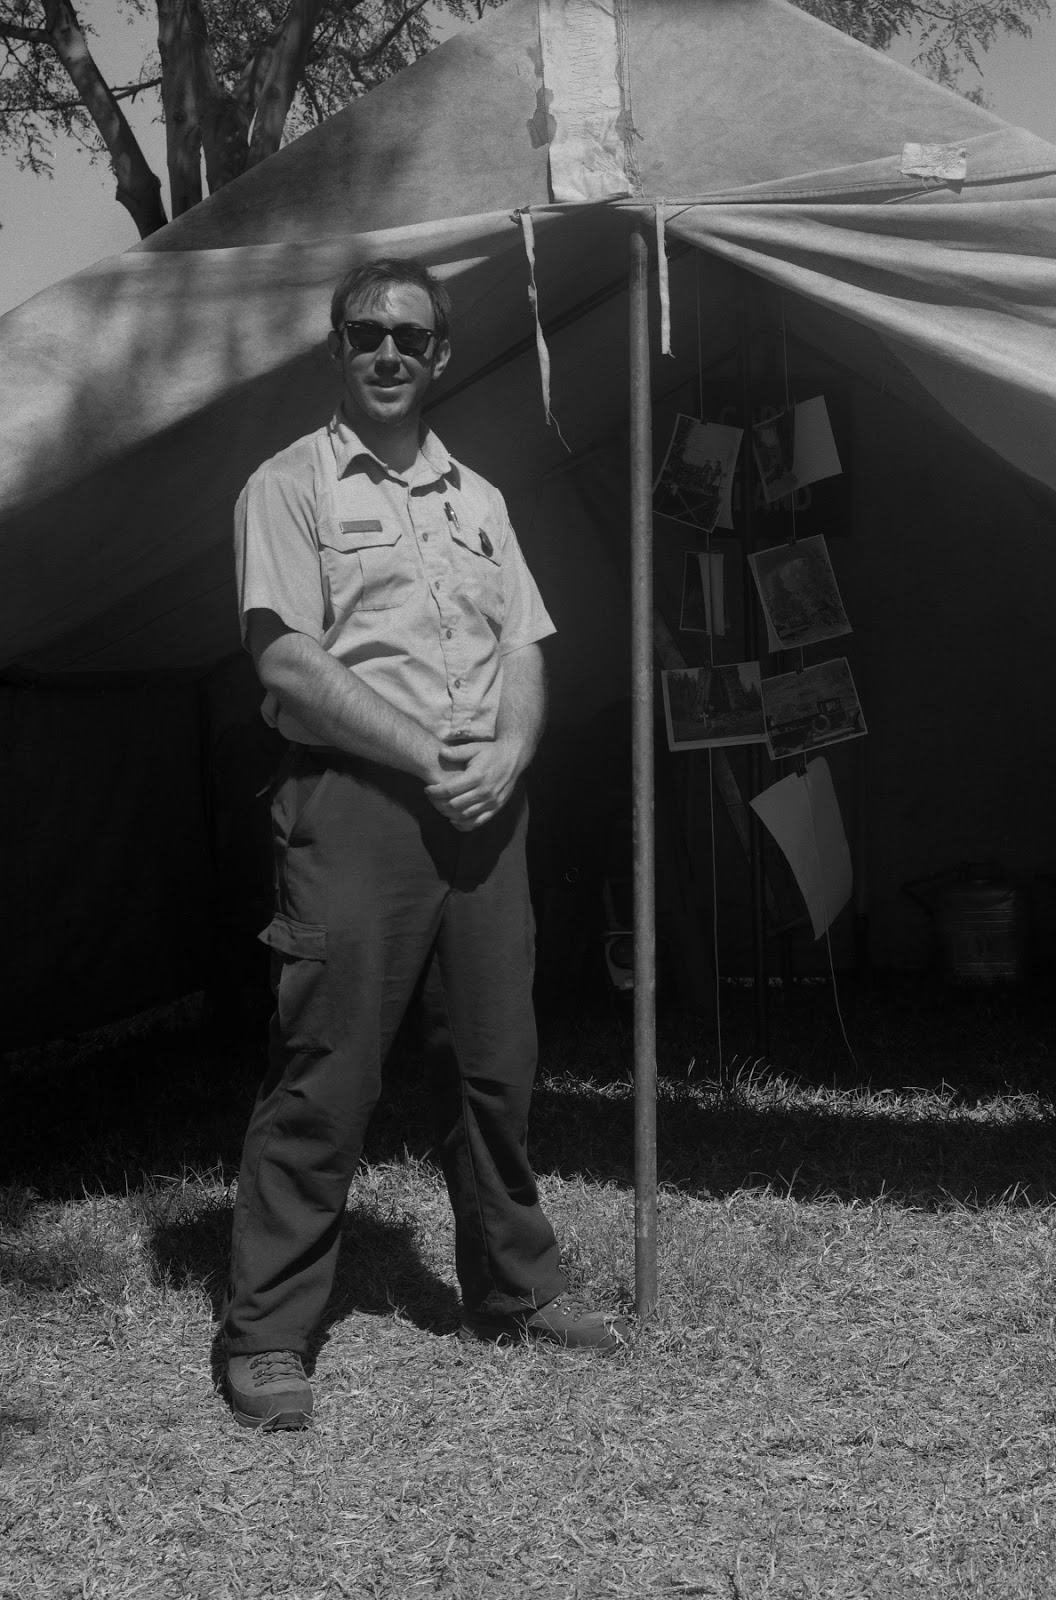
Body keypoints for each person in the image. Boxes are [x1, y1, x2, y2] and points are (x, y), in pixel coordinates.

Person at [223, 257, 622, 1432]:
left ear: (442, 354)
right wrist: (426, 751)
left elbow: (525, 649)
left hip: (485, 811)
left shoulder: (480, 500)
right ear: (334, 350)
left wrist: (510, 754)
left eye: (410, 334)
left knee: (497, 1062)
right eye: (365, 333)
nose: (387, 351)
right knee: (328, 1072)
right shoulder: (286, 486)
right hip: (355, 805)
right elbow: (286, 660)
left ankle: (512, 1286)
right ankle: (268, 1333)